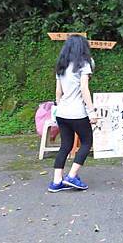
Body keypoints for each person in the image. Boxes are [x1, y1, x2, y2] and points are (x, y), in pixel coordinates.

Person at [49, 35, 97, 192]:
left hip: (62, 112)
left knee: (65, 145)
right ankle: (72, 176)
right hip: (77, 112)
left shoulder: (61, 66)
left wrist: (58, 107)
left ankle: (57, 182)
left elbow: (58, 91)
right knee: (86, 142)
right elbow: (84, 89)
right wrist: (91, 111)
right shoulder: (84, 64)